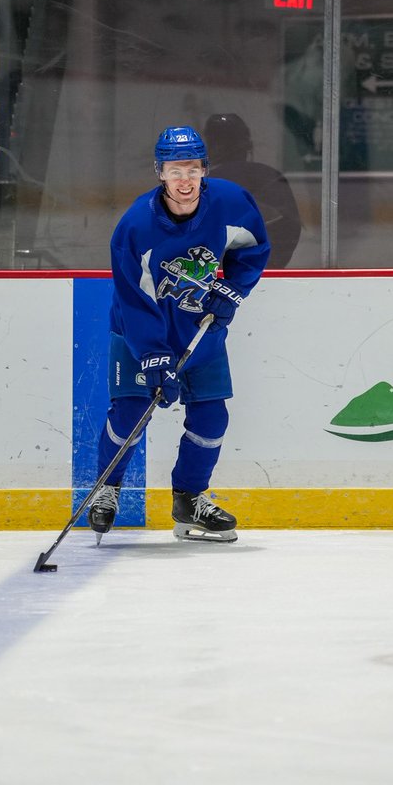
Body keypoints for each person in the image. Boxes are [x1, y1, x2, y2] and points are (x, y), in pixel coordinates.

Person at [88, 126, 271, 543]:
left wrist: (233, 289)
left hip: (200, 331)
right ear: (160, 173)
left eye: (192, 168)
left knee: (212, 417)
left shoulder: (230, 202)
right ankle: (107, 488)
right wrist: (153, 353)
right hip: (139, 334)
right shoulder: (136, 226)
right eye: (175, 170)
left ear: (204, 169)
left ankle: (189, 499)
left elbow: (253, 248)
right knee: (132, 414)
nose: (184, 179)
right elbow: (134, 298)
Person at [202, 114, 302, 268]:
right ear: (247, 144)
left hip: (214, 275)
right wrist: (268, 266)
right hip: (265, 270)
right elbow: (290, 229)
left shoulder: (201, 184)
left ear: (211, 145)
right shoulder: (269, 175)